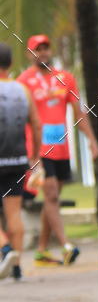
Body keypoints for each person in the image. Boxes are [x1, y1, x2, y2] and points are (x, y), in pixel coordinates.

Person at [18, 34, 98, 265]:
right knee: (51, 194)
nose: (42, 52)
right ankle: (65, 245)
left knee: (52, 198)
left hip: (61, 149)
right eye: (37, 49)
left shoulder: (66, 78)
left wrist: (92, 141)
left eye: (45, 48)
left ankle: (42, 250)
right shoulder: (24, 81)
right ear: (29, 54)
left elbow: (78, 113)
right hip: (38, 150)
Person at [0, 42, 42, 280]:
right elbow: (36, 125)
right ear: (11, 64)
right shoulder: (22, 90)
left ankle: (5, 249)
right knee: (14, 212)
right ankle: (16, 269)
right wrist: (34, 155)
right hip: (17, 159)